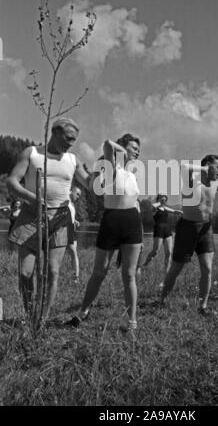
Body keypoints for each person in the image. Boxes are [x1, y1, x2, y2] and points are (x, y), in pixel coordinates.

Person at [7, 118, 91, 321]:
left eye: (74, 140)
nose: (71, 143)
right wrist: (32, 198)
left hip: (60, 219)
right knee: (26, 273)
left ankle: (42, 320)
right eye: (68, 138)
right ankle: (29, 316)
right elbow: (11, 181)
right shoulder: (32, 153)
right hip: (31, 216)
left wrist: (104, 174)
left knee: (53, 272)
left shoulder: (72, 159)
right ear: (55, 132)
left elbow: (90, 183)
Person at [66, 133, 142, 336]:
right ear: (124, 148)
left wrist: (140, 238)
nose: (137, 151)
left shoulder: (133, 175)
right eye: (134, 147)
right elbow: (108, 143)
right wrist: (123, 151)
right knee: (99, 272)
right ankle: (83, 312)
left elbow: (135, 203)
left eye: (138, 149)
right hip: (111, 222)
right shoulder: (111, 166)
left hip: (132, 224)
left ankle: (132, 321)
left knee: (129, 275)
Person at [160, 155, 218, 315]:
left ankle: (203, 307)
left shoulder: (215, 184)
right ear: (206, 166)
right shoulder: (192, 180)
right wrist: (207, 169)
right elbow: (184, 167)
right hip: (187, 228)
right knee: (176, 268)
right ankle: (162, 300)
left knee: (207, 269)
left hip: (206, 229)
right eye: (217, 167)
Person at [143, 194, 182, 287]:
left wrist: (180, 212)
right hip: (158, 230)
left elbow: (175, 211)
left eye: (165, 200)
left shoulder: (165, 208)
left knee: (169, 252)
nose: (164, 201)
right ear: (158, 200)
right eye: (162, 199)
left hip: (167, 230)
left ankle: (166, 276)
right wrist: (159, 202)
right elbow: (152, 206)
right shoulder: (155, 208)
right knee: (155, 251)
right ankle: (145, 265)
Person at [67, 185, 82, 284]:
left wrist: (75, 220)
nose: (78, 197)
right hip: (63, 227)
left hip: (71, 228)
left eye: (79, 195)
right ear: (71, 191)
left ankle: (76, 278)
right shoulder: (65, 198)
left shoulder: (72, 204)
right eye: (77, 194)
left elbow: (70, 215)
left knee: (73, 252)